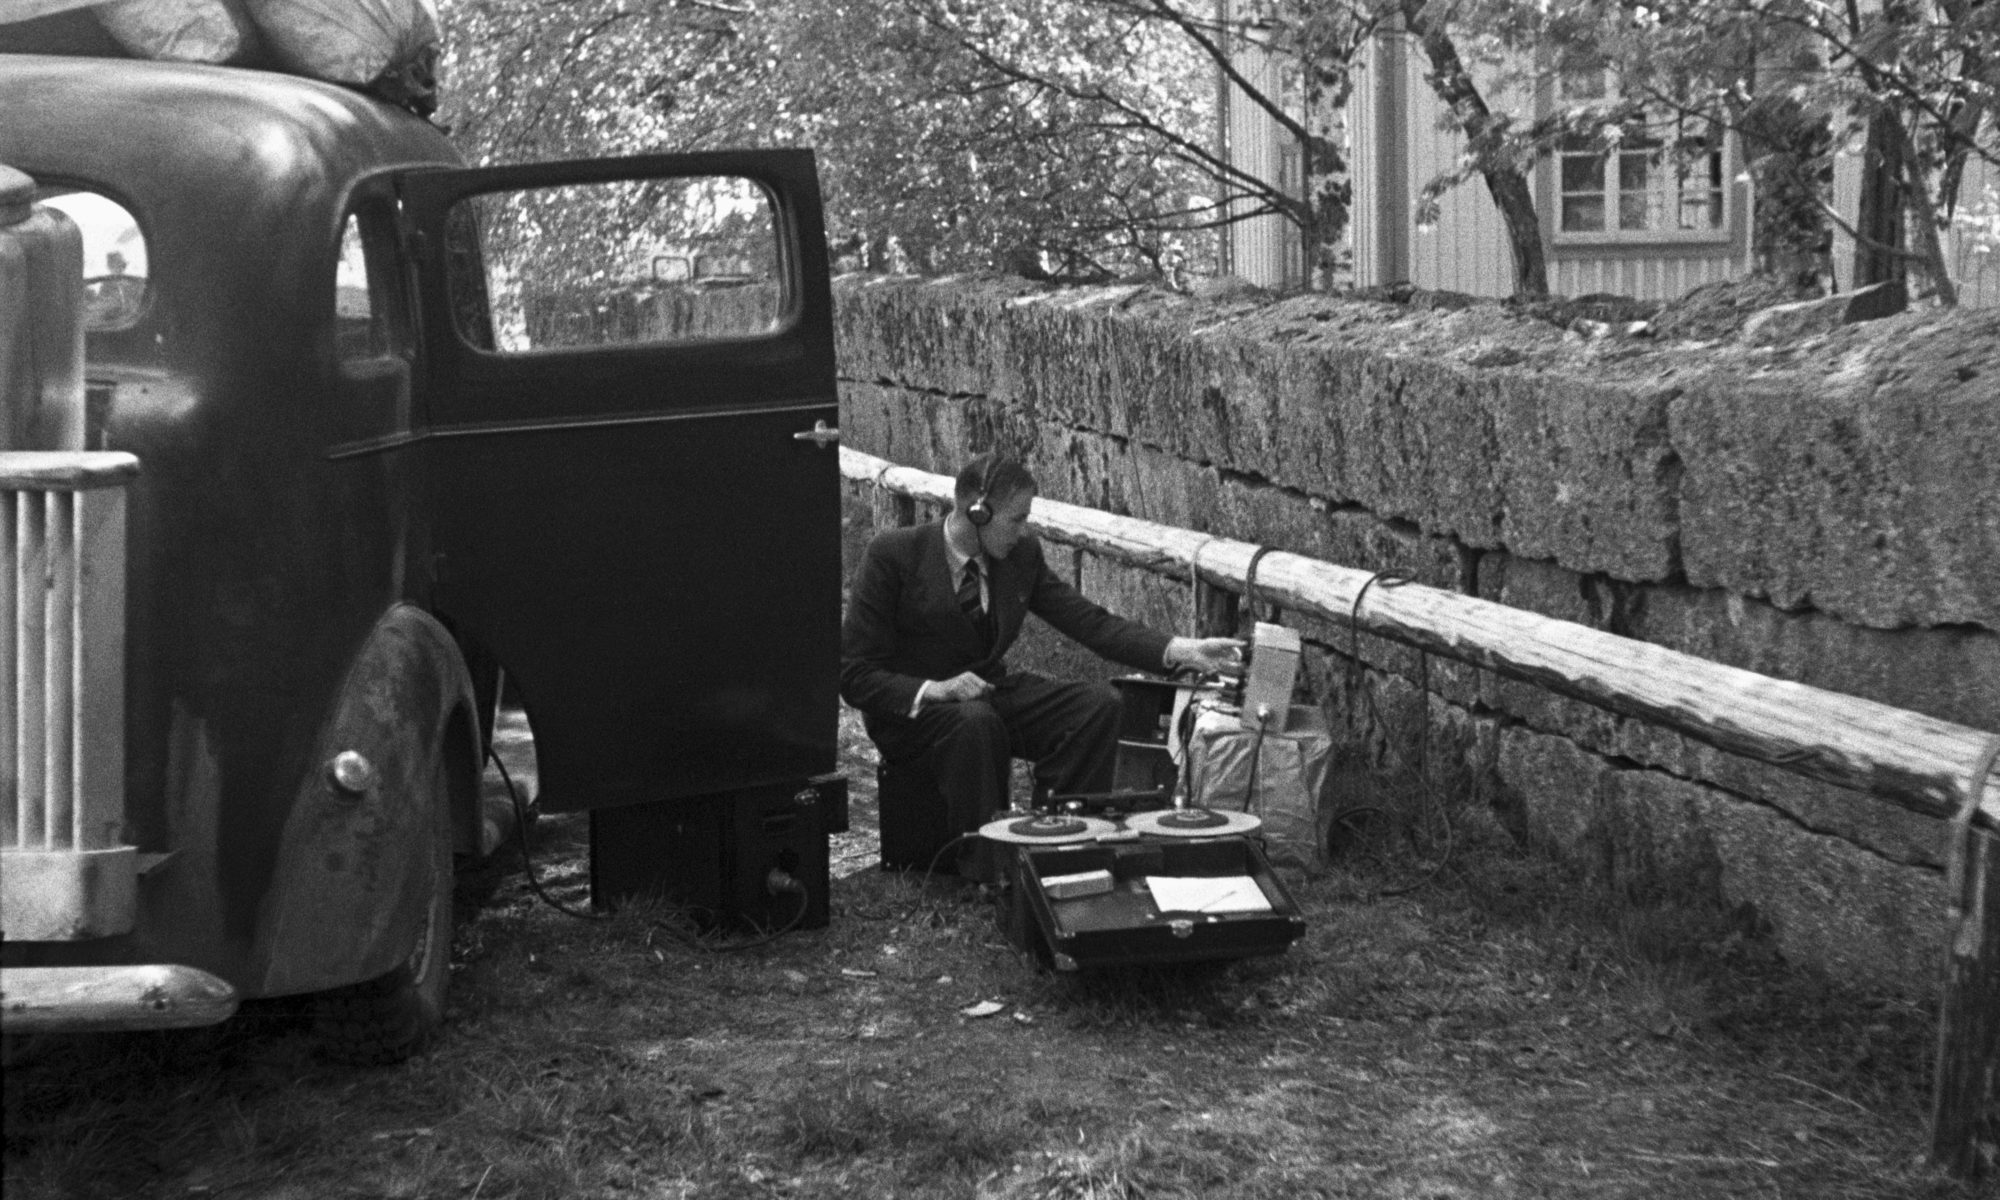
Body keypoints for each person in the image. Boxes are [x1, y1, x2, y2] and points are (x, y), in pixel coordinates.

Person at [840, 452, 1244, 862]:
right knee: (975, 723)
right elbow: (854, 674)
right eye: (1016, 519)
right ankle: (991, 867)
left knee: (1099, 706)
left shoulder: (1020, 557)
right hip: (916, 713)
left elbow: (1090, 622)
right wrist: (935, 690)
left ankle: (1060, 839)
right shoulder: (893, 555)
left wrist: (1180, 650)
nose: (1023, 530)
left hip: (984, 694)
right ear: (977, 513)